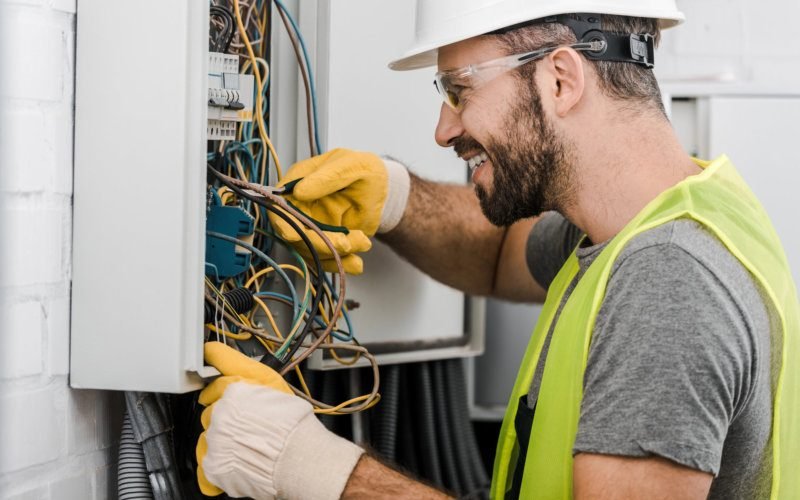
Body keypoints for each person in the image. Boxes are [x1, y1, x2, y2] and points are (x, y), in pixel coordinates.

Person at [196, 0, 800, 498]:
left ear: (561, 79)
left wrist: (307, 465)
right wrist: (395, 199)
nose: (444, 129)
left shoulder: (668, 282)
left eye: (461, 89)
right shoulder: (660, 217)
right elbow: (495, 256)